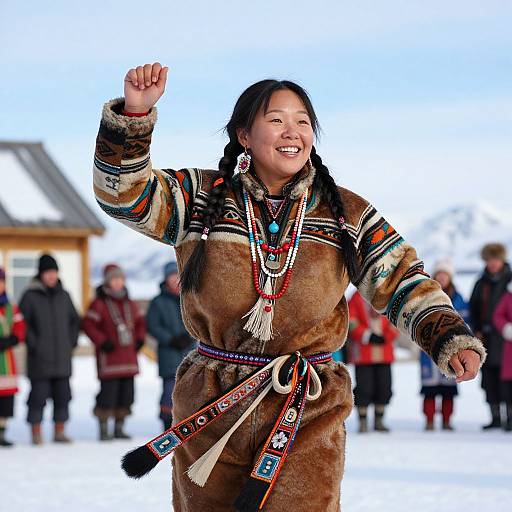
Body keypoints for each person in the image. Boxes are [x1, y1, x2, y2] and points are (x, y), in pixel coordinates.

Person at [93, 63, 485, 511]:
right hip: (213, 400)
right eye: (276, 119)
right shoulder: (200, 198)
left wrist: (446, 336)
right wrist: (134, 118)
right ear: (245, 135)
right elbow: (123, 195)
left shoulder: (345, 214)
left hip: (307, 404)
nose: (292, 130)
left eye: (302, 121)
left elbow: (400, 278)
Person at [19, 254, 80, 444]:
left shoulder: (64, 295)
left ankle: (59, 432)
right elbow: (22, 324)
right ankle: (36, 432)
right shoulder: (29, 296)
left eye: (54, 272)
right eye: (48, 273)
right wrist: (34, 344)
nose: (52, 276)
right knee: (37, 397)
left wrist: (71, 342)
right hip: (40, 359)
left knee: (63, 396)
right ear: (41, 274)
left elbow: (74, 321)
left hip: (62, 357)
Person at [82, 264, 145, 440]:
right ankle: (104, 429)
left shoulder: (130, 304)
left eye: (120, 279)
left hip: (128, 357)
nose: (118, 282)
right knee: (108, 394)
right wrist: (102, 341)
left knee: (127, 394)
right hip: (109, 357)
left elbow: (140, 323)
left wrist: (140, 339)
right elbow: (88, 324)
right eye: (114, 279)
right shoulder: (99, 303)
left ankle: (119, 427)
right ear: (108, 282)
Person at [420, 259, 470, 431]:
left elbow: (466, 320)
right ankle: (429, 420)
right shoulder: (426, 294)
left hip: (452, 347)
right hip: (429, 346)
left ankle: (447, 420)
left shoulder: (458, 298)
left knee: (448, 387)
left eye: (445, 275)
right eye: (439, 274)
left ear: (450, 277)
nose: (442, 278)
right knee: (430, 389)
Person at [147, 261, 196, 431]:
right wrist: (170, 339)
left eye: (178, 276)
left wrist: (190, 336)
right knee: (169, 389)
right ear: (166, 279)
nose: (176, 279)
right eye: (172, 276)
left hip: (189, 350)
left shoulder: (190, 298)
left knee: (190, 387)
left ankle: (185, 421)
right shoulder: (158, 302)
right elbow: (153, 325)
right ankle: (167, 421)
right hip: (168, 352)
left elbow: (197, 321)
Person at [469, 243, 512, 430]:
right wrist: (476, 329)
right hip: (485, 338)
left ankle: (510, 418)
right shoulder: (481, 283)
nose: (493, 264)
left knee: (508, 380)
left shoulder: (510, 280)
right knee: (489, 380)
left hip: (507, 340)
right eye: (489, 260)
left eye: (496, 259)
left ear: (502, 260)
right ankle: (495, 418)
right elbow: (473, 309)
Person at [347, 291, 398, 433]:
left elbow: (396, 319)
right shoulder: (357, 298)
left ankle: (379, 419)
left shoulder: (389, 296)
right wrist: (367, 335)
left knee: (384, 386)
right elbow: (351, 320)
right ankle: (363, 420)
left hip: (384, 352)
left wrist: (387, 336)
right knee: (364, 387)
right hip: (363, 353)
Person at [0, 267, 26, 447]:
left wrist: (14, 338)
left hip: (6, 361)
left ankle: (2, 432)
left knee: (5, 400)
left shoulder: (11, 306)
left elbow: (20, 325)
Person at [492, 281, 512, 431]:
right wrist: (506, 328)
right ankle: (509, 419)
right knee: (508, 388)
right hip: (510, 348)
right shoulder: (508, 296)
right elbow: (498, 315)